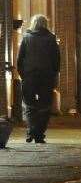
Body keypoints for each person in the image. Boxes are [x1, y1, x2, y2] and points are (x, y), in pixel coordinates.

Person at [17, 14, 60, 143]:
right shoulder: (51, 39)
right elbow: (56, 60)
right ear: (45, 24)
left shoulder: (26, 38)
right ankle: (39, 134)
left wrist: (23, 74)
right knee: (45, 106)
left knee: (29, 106)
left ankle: (31, 131)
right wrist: (54, 75)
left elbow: (20, 59)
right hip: (46, 77)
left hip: (29, 76)